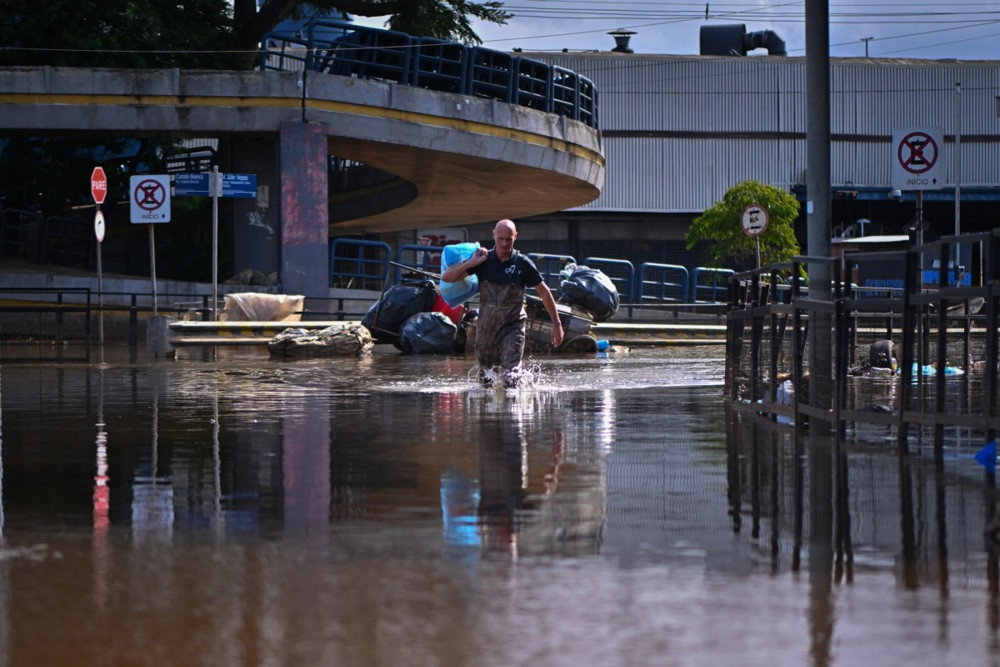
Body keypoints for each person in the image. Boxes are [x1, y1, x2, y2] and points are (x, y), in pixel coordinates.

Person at [441, 219, 564, 387]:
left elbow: (544, 291)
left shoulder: (522, 263)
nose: (504, 243)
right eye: (501, 239)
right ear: (494, 235)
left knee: (511, 378)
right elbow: (447, 277)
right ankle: (489, 413)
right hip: (486, 329)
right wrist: (471, 263)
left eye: (509, 239)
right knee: (486, 382)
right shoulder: (483, 261)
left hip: (512, 327)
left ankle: (515, 409)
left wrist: (557, 324)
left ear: (515, 237)